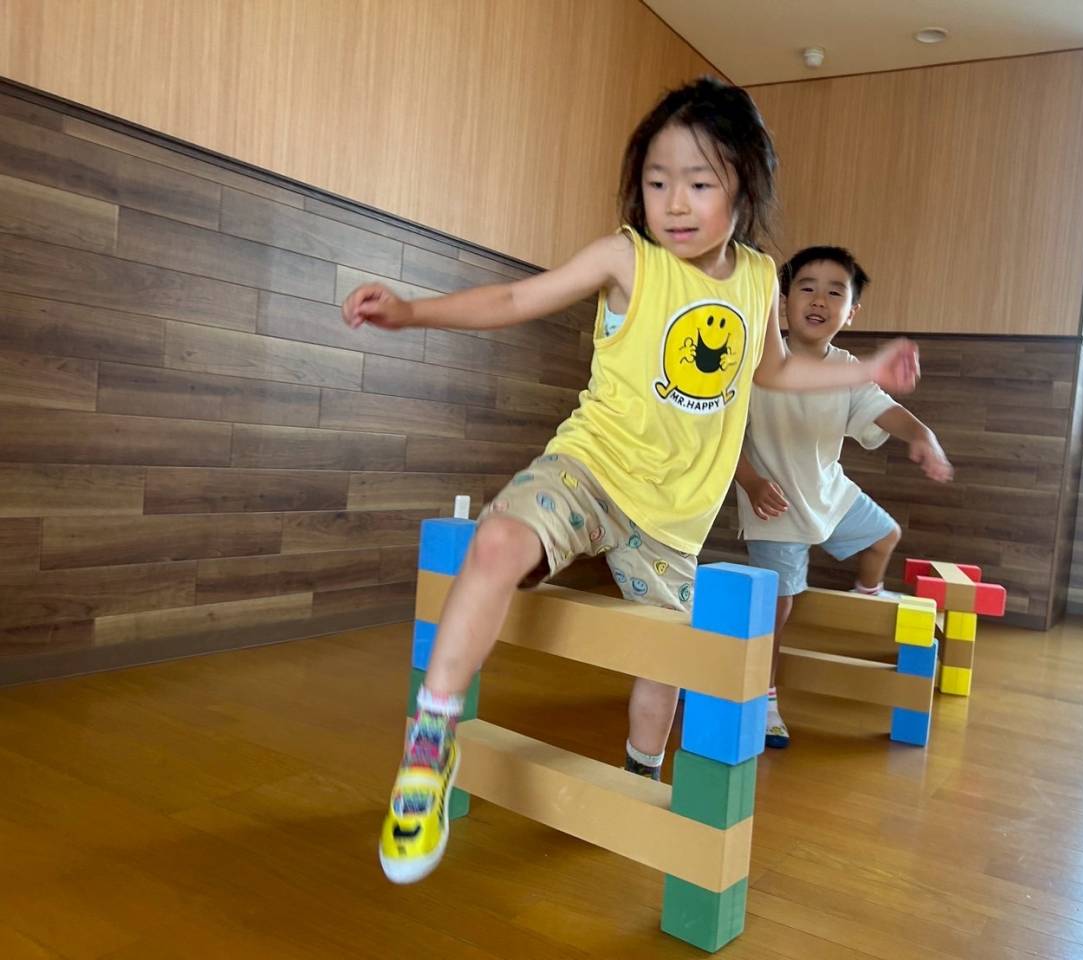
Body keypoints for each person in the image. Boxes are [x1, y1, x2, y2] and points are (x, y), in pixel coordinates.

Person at [340, 79, 921, 884]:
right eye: (656, 181)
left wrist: (869, 369)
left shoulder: (759, 278)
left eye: (699, 182)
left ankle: (641, 770)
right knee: (497, 540)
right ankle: (429, 742)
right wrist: (412, 311)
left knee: (667, 661)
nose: (674, 202)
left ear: (744, 188)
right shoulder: (628, 257)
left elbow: (777, 372)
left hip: (676, 515)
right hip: (592, 469)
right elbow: (517, 296)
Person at [735, 245, 952, 748]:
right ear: (783, 301)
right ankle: (765, 697)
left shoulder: (848, 368)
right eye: (807, 288)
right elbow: (725, 438)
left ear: (851, 312)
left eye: (835, 293)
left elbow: (887, 411)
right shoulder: (757, 359)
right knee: (776, 609)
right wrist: (750, 482)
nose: (819, 300)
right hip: (774, 505)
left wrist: (923, 435)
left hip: (829, 493)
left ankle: (866, 596)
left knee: (885, 535)